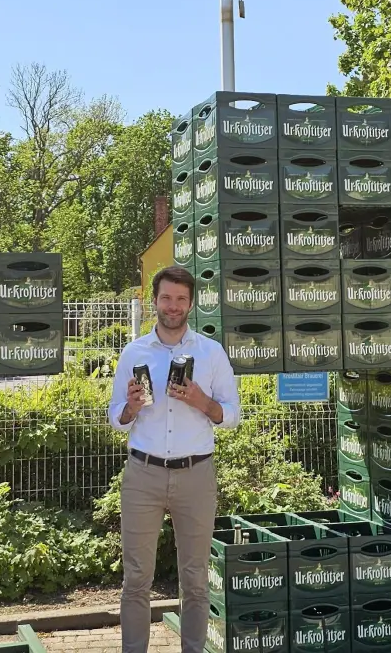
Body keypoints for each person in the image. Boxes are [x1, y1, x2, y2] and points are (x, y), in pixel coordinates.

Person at [108, 265, 241, 653]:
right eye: (166, 297)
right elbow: (115, 416)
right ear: (154, 301)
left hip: (196, 475)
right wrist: (130, 409)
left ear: (191, 304)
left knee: (196, 580)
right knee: (135, 579)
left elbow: (233, 415)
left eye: (181, 298)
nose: (173, 305)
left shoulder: (210, 352)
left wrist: (204, 402)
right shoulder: (134, 352)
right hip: (142, 475)